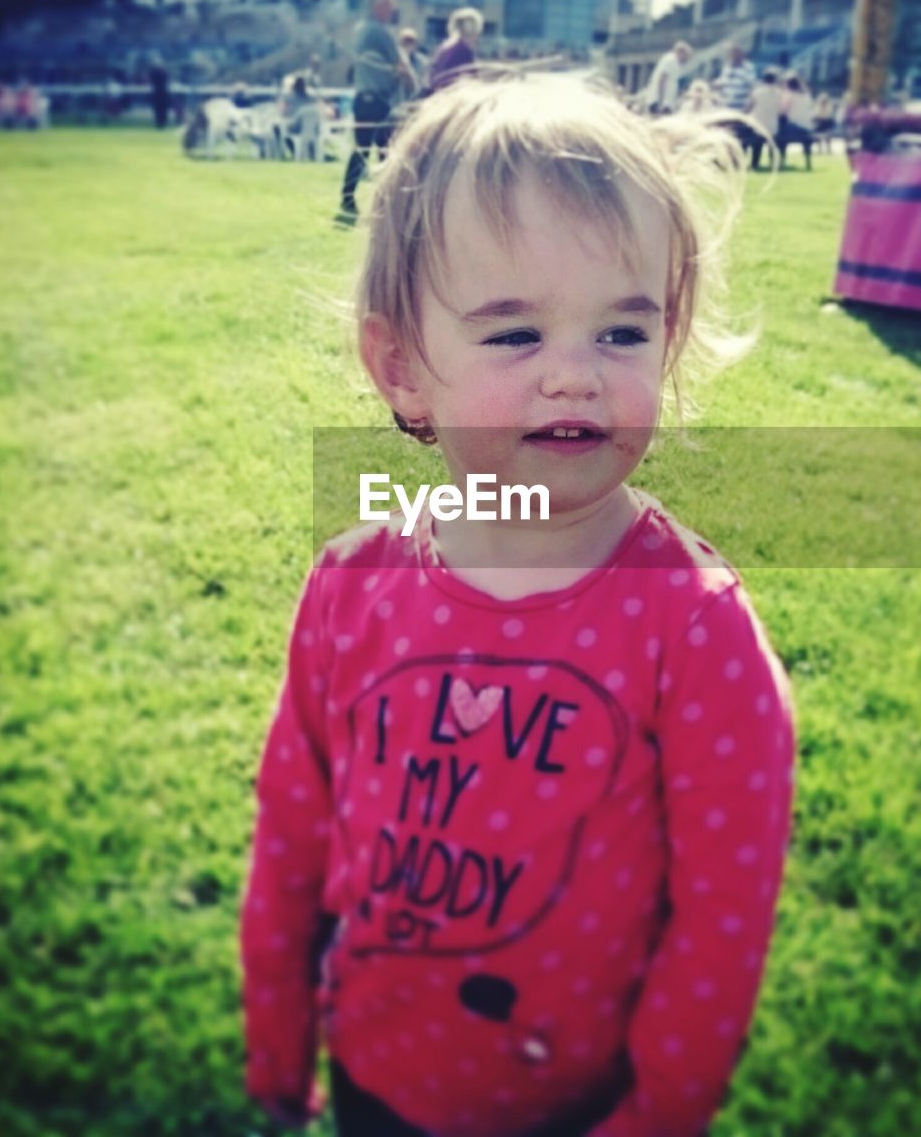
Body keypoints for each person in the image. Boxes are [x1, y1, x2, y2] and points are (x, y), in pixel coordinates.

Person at [242, 76, 797, 1137]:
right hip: (375, 1072)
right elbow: (295, 829)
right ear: (402, 367)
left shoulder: (693, 629)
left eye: (620, 334)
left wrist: (656, 1115)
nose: (573, 378)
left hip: (572, 1103)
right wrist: (277, 1032)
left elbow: (719, 924)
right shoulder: (350, 587)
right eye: (512, 337)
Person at [340, 0, 415, 219]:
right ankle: (386, 205)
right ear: (378, 6)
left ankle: (348, 198)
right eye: (389, 5)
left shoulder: (361, 30)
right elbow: (401, 66)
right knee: (387, 152)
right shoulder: (380, 32)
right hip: (380, 101)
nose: (392, 10)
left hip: (364, 98)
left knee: (362, 151)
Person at [429, 7, 482, 92]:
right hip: (452, 97)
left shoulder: (444, 47)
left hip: (437, 96)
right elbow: (470, 81)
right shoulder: (463, 50)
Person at [777, 73, 815, 170]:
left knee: (779, 135)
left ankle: (781, 160)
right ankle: (808, 161)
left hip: (794, 127)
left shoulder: (789, 94)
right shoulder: (807, 95)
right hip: (808, 127)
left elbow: (783, 111)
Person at [747, 69, 782, 171]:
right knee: (772, 146)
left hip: (758, 123)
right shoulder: (779, 93)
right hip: (772, 125)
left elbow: (749, 107)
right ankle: (773, 163)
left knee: (756, 145)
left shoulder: (757, 92)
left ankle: (755, 163)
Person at [644, 40, 691, 113]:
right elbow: (662, 79)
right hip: (660, 101)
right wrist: (660, 101)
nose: (687, 58)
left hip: (665, 102)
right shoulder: (670, 60)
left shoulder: (676, 63)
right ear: (681, 52)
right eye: (687, 55)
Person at [713, 46, 755, 112]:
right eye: (731, 54)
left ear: (741, 55)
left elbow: (750, 82)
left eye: (735, 54)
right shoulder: (727, 66)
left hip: (740, 105)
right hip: (725, 104)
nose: (733, 56)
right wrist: (718, 83)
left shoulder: (748, 67)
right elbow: (724, 80)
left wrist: (738, 73)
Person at [397, 27, 428, 97]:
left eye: (411, 41)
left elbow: (424, 81)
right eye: (405, 41)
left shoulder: (423, 61)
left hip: (416, 98)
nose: (408, 44)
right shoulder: (394, 59)